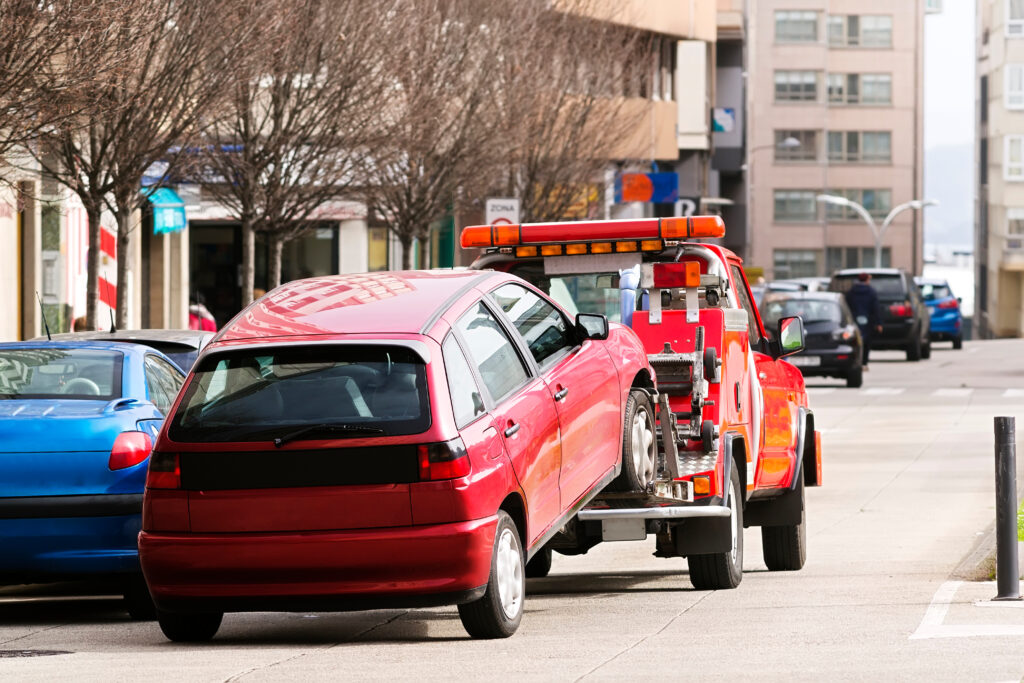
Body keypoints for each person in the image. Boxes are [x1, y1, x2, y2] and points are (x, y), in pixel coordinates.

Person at [843, 272, 883, 370]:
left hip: (854, 320)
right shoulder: (871, 292)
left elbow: (846, 306)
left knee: (855, 341)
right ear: (867, 280)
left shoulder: (851, 292)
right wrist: (878, 323)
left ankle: (856, 362)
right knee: (866, 342)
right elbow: (875, 308)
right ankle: (864, 363)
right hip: (868, 321)